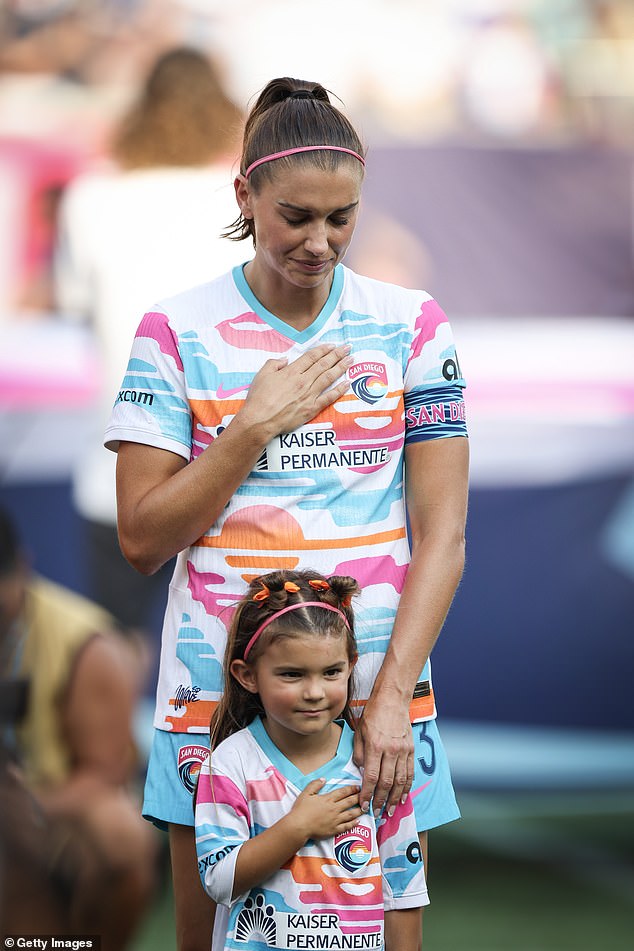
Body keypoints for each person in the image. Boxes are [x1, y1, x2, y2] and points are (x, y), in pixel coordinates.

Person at [106, 76, 469, 951]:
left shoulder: (411, 325)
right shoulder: (174, 330)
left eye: (341, 217)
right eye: (296, 216)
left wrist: (387, 702)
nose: (321, 242)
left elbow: (445, 536)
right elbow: (143, 540)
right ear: (245, 196)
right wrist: (252, 429)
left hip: (371, 703)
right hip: (211, 706)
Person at [54, 45, 246, 637]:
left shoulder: (91, 198)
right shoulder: (242, 199)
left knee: (118, 648)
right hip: (229, 469)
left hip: (118, 463)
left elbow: (72, 304)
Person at [195, 569, 428, 951]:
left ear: (351, 664)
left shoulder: (374, 766)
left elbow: (403, 891)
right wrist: (297, 827)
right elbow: (219, 880)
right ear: (248, 675)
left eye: (331, 672)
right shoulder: (230, 763)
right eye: (292, 674)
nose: (315, 692)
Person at [0, 506, 158, 948]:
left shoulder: (86, 644)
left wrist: (28, 807)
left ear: (23, 568)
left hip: (48, 815)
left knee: (120, 833)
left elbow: (104, 775)